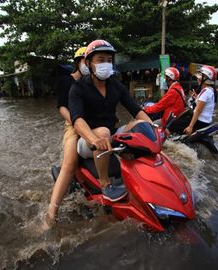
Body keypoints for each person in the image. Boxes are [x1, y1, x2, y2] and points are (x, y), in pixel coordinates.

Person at [68, 39, 153, 202]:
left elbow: (136, 111)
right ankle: (105, 183)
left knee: (140, 126)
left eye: (109, 60)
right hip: (88, 141)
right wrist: (93, 139)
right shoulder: (78, 88)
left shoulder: (116, 86)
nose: (105, 64)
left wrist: (153, 128)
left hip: (111, 136)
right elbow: (77, 120)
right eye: (100, 60)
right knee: (103, 132)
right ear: (89, 63)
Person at [42, 46, 89, 229]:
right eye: (86, 61)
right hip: (74, 124)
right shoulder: (65, 81)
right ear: (78, 62)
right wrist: (77, 123)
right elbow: (62, 107)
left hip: (94, 124)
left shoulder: (92, 82)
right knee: (69, 163)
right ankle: (51, 214)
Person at [183, 65, 217, 135]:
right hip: (206, 121)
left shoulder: (206, 92)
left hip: (200, 121)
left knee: (175, 124)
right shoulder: (209, 90)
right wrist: (196, 97)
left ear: (205, 79)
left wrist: (190, 126)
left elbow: (198, 110)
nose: (197, 79)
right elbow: (203, 103)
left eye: (200, 78)